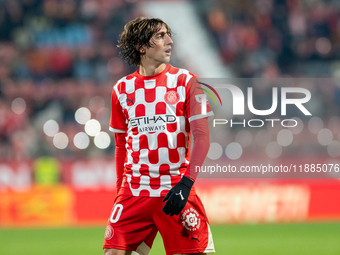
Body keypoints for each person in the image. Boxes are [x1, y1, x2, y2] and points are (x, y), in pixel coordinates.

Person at [103, 17, 215, 255]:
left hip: (176, 191)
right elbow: (121, 145)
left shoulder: (188, 81)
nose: (170, 41)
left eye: (168, 34)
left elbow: (202, 138)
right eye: (160, 36)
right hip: (134, 193)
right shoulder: (121, 89)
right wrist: (119, 193)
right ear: (141, 47)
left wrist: (186, 183)